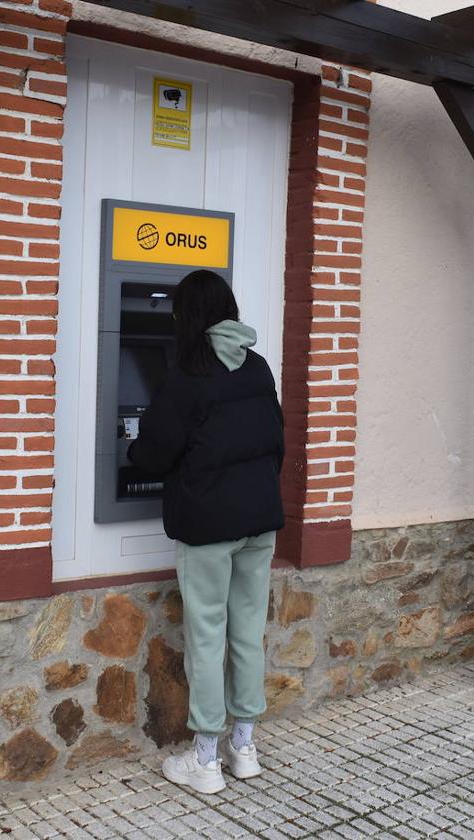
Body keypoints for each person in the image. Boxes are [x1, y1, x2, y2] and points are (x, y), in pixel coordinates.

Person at [127, 269, 285, 795]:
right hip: (260, 520)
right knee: (246, 633)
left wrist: (133, 451)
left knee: (206, 636)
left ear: (187, 317)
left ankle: (205, 760)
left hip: (210, 526)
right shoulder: (259, 367)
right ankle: (244, 748)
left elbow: (153, 451)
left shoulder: (186, 374)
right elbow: (275, 442)